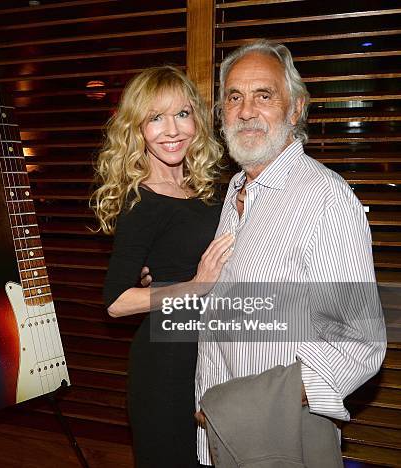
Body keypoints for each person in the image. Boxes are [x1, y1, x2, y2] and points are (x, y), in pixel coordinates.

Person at [191, 40, 387, 466]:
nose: (246, 111)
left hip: (279, 440)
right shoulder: (236, 190)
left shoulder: (324, 199)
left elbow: (360, 342)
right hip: (221, 437)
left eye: (265, 95)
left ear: (295, 110)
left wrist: (248, 404)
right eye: (234, 97)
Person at [91, 66, 234, 468]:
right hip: (166, 364)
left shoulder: (205, 188)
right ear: (137, 129)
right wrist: (196, 284)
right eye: (155, 118)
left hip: (211, 354)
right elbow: (115, 301)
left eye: (182, 114)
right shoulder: (142, 202)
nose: (171, 130)